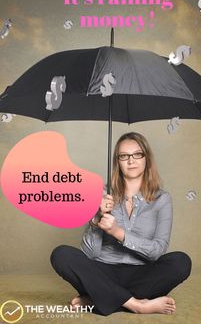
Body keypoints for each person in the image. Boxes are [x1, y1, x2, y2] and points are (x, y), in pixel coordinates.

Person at [50, 132, 192, 316]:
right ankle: (136, 305)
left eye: (137, 154)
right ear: (118, 161)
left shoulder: (162, 199)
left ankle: (98, 299)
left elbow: (157, 250)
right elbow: (89, 253)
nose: (131, 161)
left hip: (142, 274)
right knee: (61, 254)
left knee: (181, 262)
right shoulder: (102, 194)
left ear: (146, 158)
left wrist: (119, 233)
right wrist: (97, 217)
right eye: (124, 156)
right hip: (102, 272)